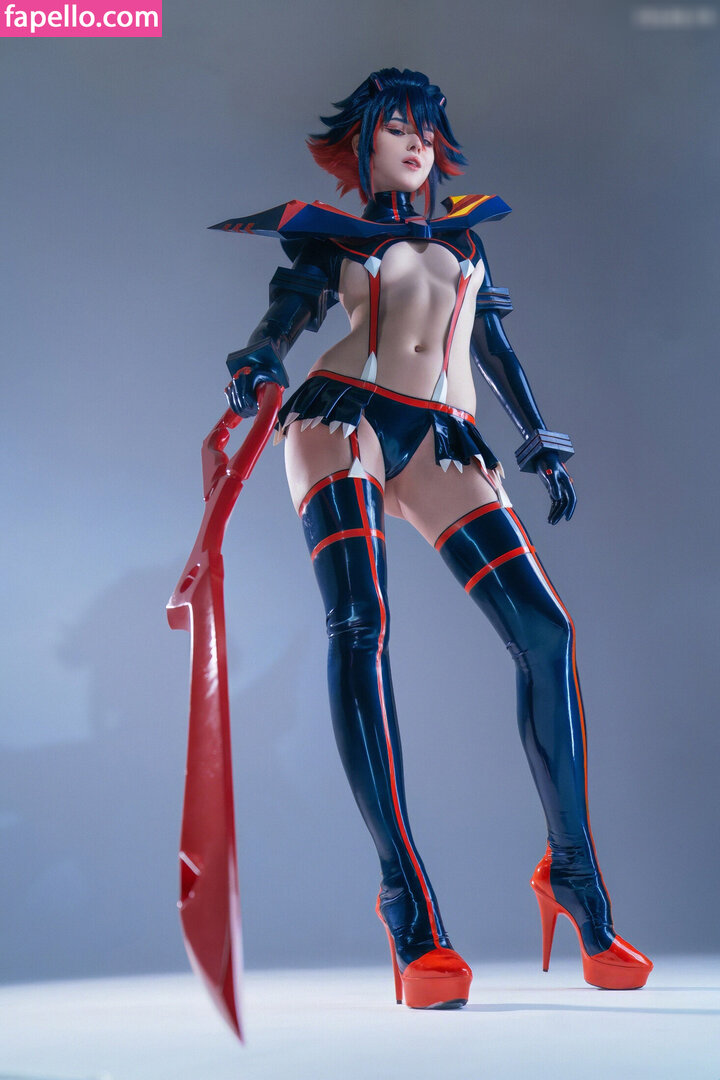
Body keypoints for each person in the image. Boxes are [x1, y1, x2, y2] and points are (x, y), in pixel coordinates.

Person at [216, 68, 652, 1009]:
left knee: (546, 632)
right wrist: (259, 354)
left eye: (425, 128)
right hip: (342, 416)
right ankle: (408, 906)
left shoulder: (464, 235)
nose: (415, 141)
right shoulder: (330, 234)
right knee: (361, 625)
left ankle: (574, 876)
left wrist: (538, 439)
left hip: (444, 434)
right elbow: (289, 311)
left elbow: (492, 350)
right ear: (362, 142)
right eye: (395, 127)